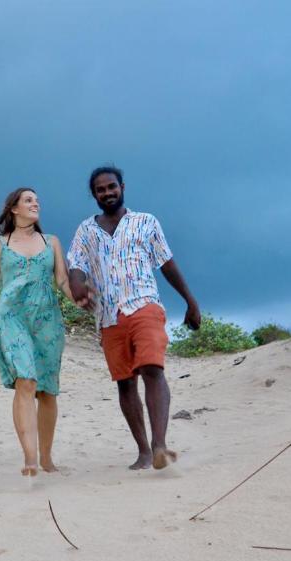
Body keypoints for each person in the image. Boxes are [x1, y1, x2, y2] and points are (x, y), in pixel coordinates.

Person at [67, 166, 201, 470]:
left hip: (144, 305)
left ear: (122, 187)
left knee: (152, 368)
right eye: (100, 190)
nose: (107, 193)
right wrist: (76, 284)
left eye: (111, 187)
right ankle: (143, 451)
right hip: (109, 316)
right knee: (125, 383)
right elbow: (75, 264)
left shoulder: (146, 222)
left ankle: (160, 445)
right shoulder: (85, 231)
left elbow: (166, 263)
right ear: (94, 195)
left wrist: (190, 301)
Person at [0, 187, 73, 477]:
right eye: (28, 200)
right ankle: (30, 459)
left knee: (47, 391)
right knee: (26, 380)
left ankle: (47, 459)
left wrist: (84, 301)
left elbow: (63, 281)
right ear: (13, 208)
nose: (35, 203)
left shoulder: (51, 242)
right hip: (12, 316)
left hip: (47, 319)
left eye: (37, 200)